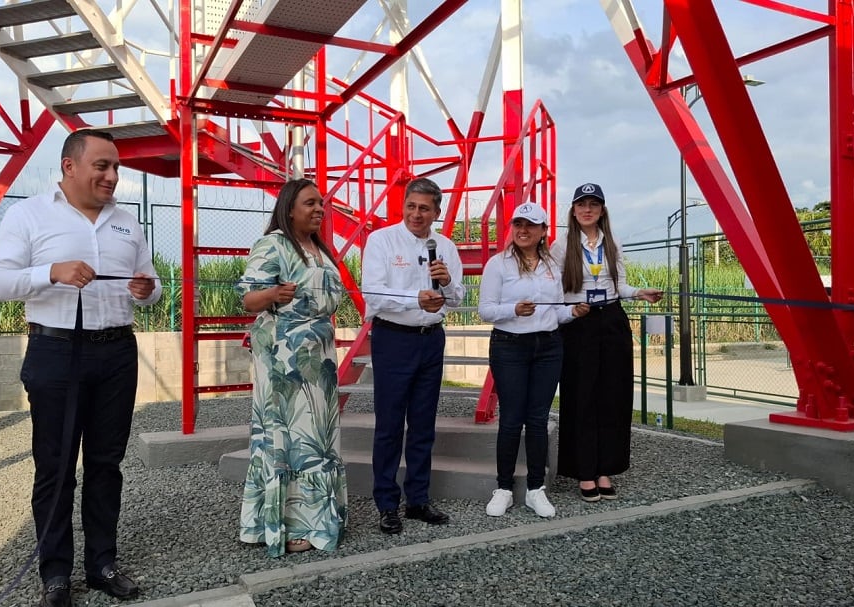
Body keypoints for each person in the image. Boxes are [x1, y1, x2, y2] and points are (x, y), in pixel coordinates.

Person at [0, 129, 159, 607]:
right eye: (102, 166)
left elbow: (152, 280)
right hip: (55, 352)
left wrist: (149, 290)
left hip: (117, 352)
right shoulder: (28, 214)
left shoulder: (127, 223)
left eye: (116, 167)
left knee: (107, 464)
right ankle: (56, 576)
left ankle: (102, 563)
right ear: (69, 166)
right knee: (56, 468)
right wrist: (51, 272)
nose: (112, 176)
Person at [236, 178, 348, 557]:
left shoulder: (319, 249)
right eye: (309, 203)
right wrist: (272, 294)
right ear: (289, 208)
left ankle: (320, 518)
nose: (319, 209)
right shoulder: (273, 245)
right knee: (291, 439)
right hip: (284, 364)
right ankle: (290, 524)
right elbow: (249, 298)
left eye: (321, 203)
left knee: (318, 435)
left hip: (321, 362)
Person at [362, 177, 464, 534]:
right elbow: (373, 293)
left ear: (437, 211)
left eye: (424, 208)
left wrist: (447, 282)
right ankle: (387, 503)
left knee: (423, 424)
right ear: (403, 206)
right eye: (411, 206)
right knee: (390, 425)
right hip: (394, 339)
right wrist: (415, 298)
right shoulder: (381, 241)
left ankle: (418, 500)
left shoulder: (446, 247)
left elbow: (458, 299)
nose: (416, 214)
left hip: (431, 339)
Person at [551, 183, 662, 503]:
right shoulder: (561, 246)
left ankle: (606, 468)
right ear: (573, 210)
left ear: (602, 210)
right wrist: (570, 312)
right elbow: (557, 292)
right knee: (581, 396)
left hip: (612, 320)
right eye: (582, 204)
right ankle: (584, 470)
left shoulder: (612, 242)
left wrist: (640, 293)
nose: (587, 210)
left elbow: (620, 285)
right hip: (579, 325)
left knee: (613, 396)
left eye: (594, 205)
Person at [478, 203, 589, 518]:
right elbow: (485, 310)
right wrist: (513, 310)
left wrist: (573, 312)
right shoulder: (498, 264)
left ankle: (535, 489)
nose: (523, 230)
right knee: (512, 419)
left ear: (543, 231)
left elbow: (555, 310)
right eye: (518, 224)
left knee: (538, 419)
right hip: (509, 346)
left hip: (548, 346)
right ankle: (503, 488)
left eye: (531, 225)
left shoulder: (553, 264)